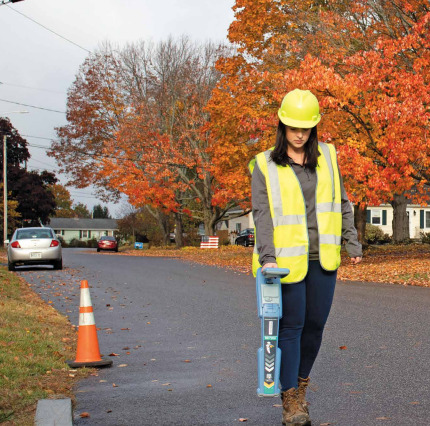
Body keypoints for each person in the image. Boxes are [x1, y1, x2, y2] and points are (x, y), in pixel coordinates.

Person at [249, 89, 362, 426]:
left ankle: (301, 385)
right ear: (282, 125)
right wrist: (267, 257)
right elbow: (262, 215)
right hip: (284, 261)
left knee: (315, 327)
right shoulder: (264, 164)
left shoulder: (328, 156)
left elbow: (341, 202)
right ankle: (291, 401)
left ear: (314, 128)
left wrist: (351, 242)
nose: (299, 134)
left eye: (305, 128)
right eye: (292, 127)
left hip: (323, 258)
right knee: (292, 327)